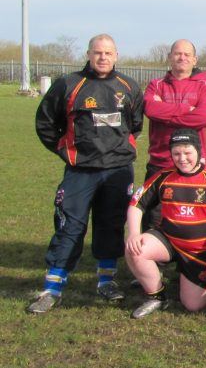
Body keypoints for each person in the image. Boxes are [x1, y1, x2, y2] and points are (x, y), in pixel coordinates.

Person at [28, 34, 144, 314]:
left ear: (116, 55)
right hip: (80, 172)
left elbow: (135, 125)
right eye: (97, 52)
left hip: (118, 171)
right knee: (70, 225)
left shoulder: (128, 86)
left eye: (108, 53)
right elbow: (45, 123)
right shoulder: (68, 84)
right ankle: (52, 287)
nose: (103, 57)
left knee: (111, 224)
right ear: (88, 54)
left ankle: (106, 281)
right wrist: (65, 150)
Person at [125, 129, 206, 318]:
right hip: (169, 241)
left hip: (200, 251)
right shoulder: (164, 176)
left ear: (198, 151)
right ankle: (156, 296)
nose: (182, 158)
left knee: (192, 305)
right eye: (176, 153)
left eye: (187, 153)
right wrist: (134, 233)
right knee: (135, 249)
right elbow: (136, 203)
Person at [143, 39, 206, 179]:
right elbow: (150, 110)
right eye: (177, 54)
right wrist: (188, 109)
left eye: (187, 54)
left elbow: (205, 118)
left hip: (193, 163)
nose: (182, 57)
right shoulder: (156, 85)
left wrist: (164, 114)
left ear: (195, 60)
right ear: (170, 57)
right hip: (160, 162)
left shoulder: (205, 85)